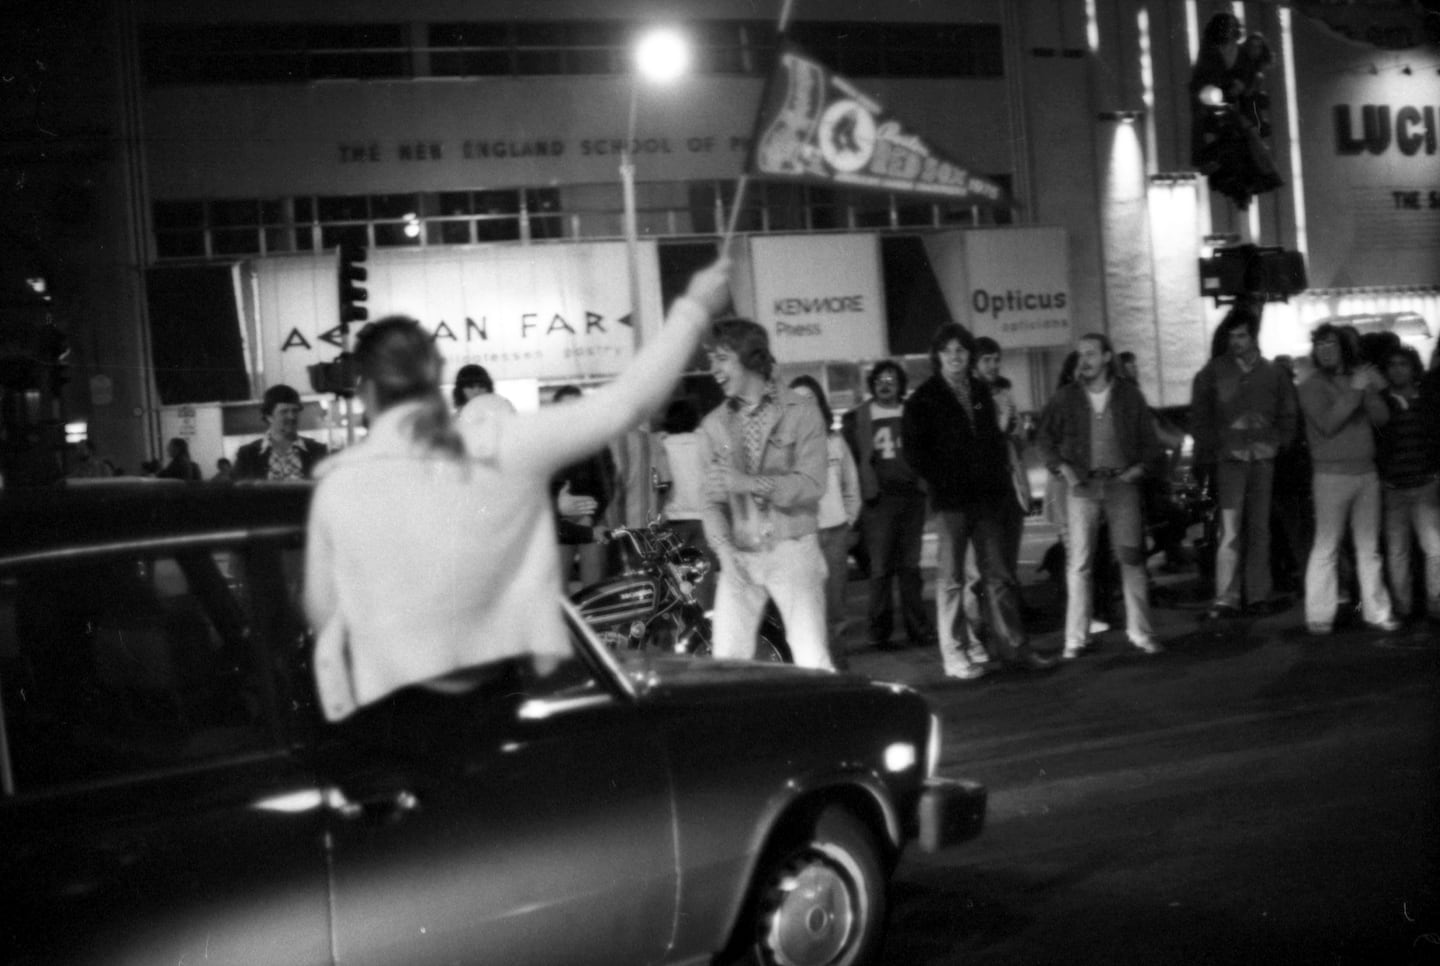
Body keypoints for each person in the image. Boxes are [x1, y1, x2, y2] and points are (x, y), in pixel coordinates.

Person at [303, 258, 731, 720]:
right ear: (434, 373)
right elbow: (628, 402)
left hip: (391, 710)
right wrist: (694, 307)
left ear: (364, 391)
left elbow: (323, 612)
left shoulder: (338, 486)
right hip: (503, 700)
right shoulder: (500, 445)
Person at [904, 324, 1050, 679]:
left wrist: (999, 485)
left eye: (961, 350)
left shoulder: (982, 392)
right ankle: (956, 655)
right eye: (948, 350)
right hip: (952, 502)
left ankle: (1015, 649)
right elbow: (915, 452)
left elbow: (995, 444)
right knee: (952, 579)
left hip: (988, 500)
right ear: (937, 355)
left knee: (998, 576)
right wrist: (943, 480)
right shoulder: (923, 398)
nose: (955, 356)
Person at [698, 318, 834, 671]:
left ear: (749, 358)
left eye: (722, 358)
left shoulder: (800, 411)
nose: (713, 369)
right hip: (738, 556)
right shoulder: (714, 425)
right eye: (711, 358)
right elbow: (710, 502)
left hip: (793, 548)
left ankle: (831, 724)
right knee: (725, 664)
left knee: (811, 659)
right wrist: (724, 552)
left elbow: (812, 485)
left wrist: (747, 483)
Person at [1038, 332, 1166, 659]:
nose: (1084, 360)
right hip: (1082, 487)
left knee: (1131, 558)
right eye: (1080, 354)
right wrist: (1063, 469)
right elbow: (1045, 440)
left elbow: (1151, 445)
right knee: (1079, 563)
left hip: (1121, 486)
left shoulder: (1129, 396)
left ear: (1108, 357)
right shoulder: (1066, 397)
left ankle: (1140, 632)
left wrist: (1136, 471)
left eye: (1091, 353)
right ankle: (1075, 639)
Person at [1190, 307, 1298, 618]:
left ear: (1252, 337)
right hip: (1232, 459)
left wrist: (1280, 441)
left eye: (1241, 336)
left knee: (1257, 528)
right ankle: (1228, 596)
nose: (1236, 342)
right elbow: (1200, 417)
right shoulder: (1214, 372)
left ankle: (1255, 594)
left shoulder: (1270, 372)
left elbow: (1287, 411)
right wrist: (1215, 448)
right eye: (1232, 336)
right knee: (1232, 529)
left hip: (1261, 456)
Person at [1296, 324, 1398, 635]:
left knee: (1369, 548)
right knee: (1326, 546)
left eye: (1331, 344)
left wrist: (1369, 391)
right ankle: (1319, 616)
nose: (1325, 350)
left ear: (1343, 348)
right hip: (1331, 475)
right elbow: (1328, 423)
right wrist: (1356, 389)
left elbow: (1382, 418)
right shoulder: (1311, 386)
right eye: (1320, 345)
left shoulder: (1356, 379)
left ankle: (1378, 612)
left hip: (1366, 473)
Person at [840, 360, 932, 650]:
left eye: (891, 378)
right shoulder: (859, 417)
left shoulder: (914, 413)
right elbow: (851, 461)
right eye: (880, 379)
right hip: (878, 501)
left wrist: (925, 485)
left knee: (910, 567)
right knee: (879, 569)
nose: (885, 383)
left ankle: (918, 628)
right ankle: (879, 632)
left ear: (900, 383)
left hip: (912, 498)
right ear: (873, 384)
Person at [790, 375, 861, 660]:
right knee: (804, 612)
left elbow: (851, 487)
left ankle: (839, 674)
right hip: (800, 538)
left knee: (835, 612)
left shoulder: (835, 441)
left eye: (810, 398)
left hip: (834, 535)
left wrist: (848, 522)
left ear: (820, 402)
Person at [1375, 345, 1440, 624]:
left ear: (1413, 368)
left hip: (1424, 482)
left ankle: (1434, 603)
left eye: (1403, 364)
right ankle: (1404, 606)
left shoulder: (1427, 398)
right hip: (1394, 486)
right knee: (1398, 551)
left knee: (1432, 549)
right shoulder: (1382, 401)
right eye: (1392, 365)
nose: (1397, 369)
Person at [549, 384, 618, 588]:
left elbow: (607, 484)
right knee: (555, 593)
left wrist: (590, 517)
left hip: (592, 521)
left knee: (594, 591)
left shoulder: (596, 442)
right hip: (558, 526)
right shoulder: (546, 444)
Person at [653, 397, 717, 608]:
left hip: (673, 522)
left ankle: (677, 631)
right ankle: (703, 632)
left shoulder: (663, 445)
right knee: (702, 582)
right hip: (703, 520)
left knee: (675, 582)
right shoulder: (703, 442)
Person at [233, 384, 329, 481]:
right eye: (284, 412)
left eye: (295, 411)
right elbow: (237, 493)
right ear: (269, 416)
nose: (292, 417)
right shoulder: (248, 455)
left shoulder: (317, 451)